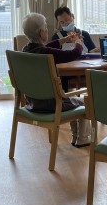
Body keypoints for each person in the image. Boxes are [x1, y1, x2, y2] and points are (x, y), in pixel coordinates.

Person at [22, 13, 91, 147]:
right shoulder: (46, 53)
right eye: (46, 28)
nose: (47, 30)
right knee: (85, 102)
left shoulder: (26, 50)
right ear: (41, 33)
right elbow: (73, 54)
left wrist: (64, 40)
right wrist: (78, 43)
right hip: (51, 105)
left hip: (32, 103)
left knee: (72, 100)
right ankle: (82, 138)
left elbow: (47, 46)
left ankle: (76, 137)